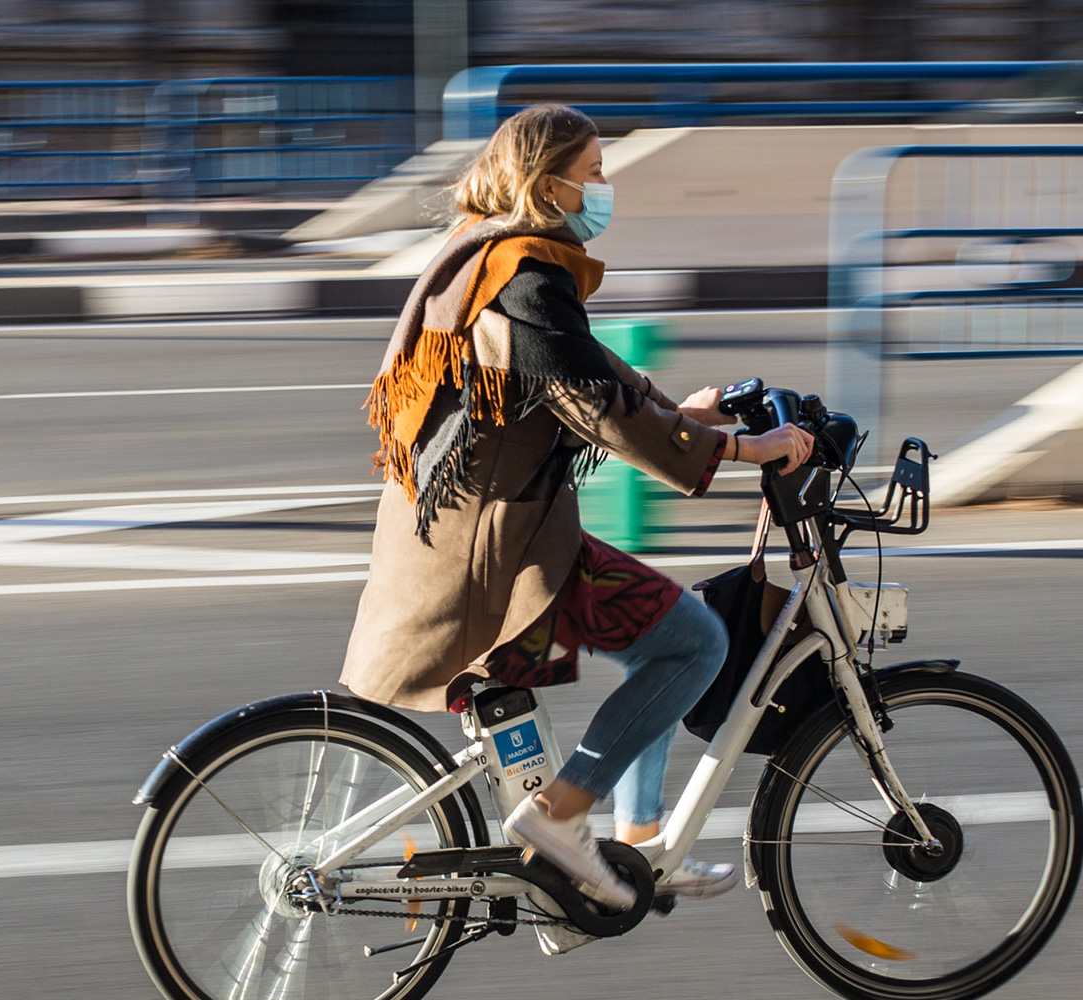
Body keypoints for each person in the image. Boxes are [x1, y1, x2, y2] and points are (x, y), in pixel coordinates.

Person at [340, 104, 814, 913]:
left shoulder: (487, 249)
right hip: (493, 547)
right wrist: (743, 450)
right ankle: (560, 814)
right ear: (547, 183)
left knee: (667, 639)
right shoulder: (525, 272)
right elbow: (592, 402)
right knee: (696, 643)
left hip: (480, 528)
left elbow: (581, 368)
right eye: (592, 172)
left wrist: (679, 415)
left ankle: (638, 846)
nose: (602, 187)